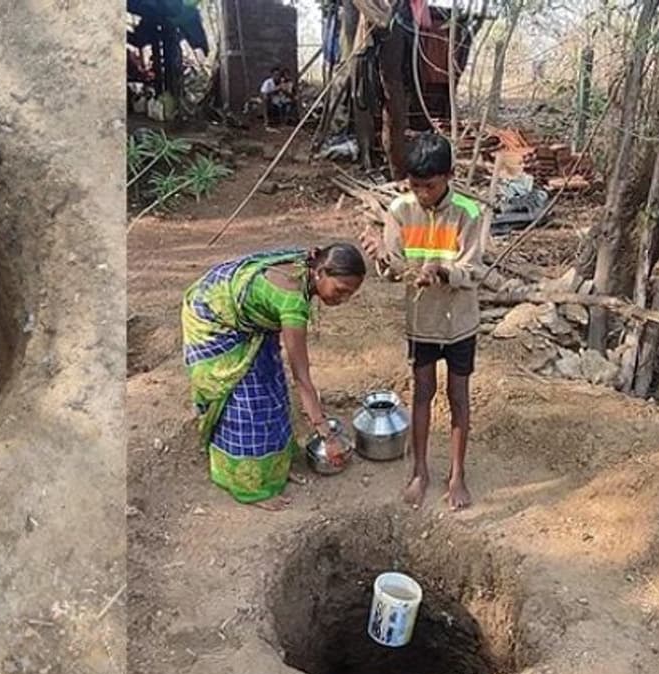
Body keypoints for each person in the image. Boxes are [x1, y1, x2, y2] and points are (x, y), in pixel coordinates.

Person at [182, 244, 366, 510]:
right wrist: (325, 432)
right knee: (248, 404)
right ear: (320, 273)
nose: (343, 300)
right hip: (213, 315)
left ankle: (273, 468)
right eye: (340, 291)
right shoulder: (292, 302)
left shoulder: (309, 265)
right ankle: (249, 487)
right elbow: (301, 376)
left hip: (249, 317)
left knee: (272, 387)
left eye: (350, 294)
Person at [361, 133, 488, 511]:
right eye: (415, 186)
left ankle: (457, 475)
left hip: (460, 322)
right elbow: (395, 267)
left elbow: (473, 268)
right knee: (422, 391)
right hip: (422, 322)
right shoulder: (400, 210)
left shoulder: (469, 212)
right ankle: (420, 471)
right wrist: (383, 257)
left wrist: (443, 271)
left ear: (449, 176)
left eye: (430, 186)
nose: (422, 194)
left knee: (458, 396)